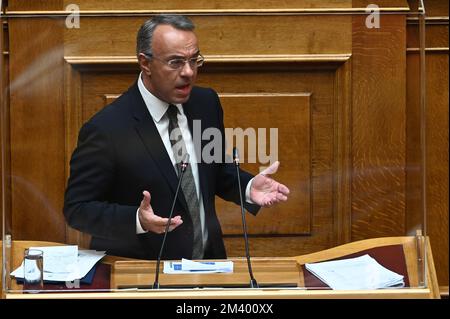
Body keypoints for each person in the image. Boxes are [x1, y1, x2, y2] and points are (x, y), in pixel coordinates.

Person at [63, 15, 290, 260]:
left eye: (194, 60)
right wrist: (136, 219)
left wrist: (246, 187)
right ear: (145, 63)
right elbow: (78, 209)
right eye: (176, 62)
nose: (189, 72)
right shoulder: (107, 128)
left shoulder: (206, 103)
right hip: (143, 275)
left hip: (208, 267)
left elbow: (212, 170)